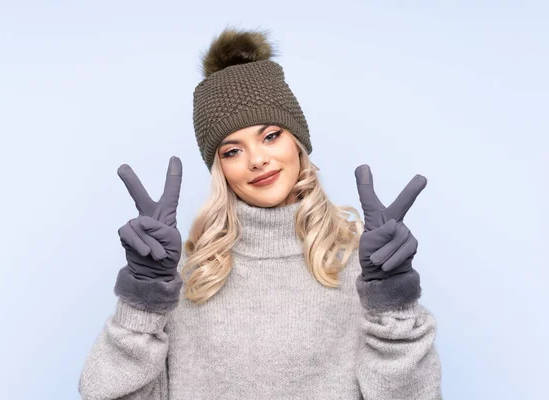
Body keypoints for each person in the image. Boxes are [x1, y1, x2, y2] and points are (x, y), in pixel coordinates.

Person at [78, 27, 442, 399]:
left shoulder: (366, 266)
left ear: (297, 142)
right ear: (219, 169)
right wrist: (143, 297)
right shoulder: (189, 273)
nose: (257, 160)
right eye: (232, 151)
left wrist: (394, 302)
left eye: (270, 136)